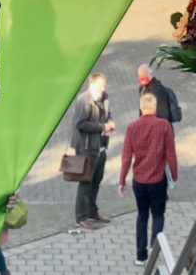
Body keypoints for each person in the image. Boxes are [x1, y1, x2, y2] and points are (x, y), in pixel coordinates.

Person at [119, 93, 177, 267]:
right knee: (158, 215)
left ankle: (140, 255)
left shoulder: (132, 127)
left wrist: (122, 180)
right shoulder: (164, 125)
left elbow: (126, 157)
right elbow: (171, 155)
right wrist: (173, 175)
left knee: (142, 215)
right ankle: (154, 245)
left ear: (141, 108)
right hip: (158, 179)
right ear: (155, 107)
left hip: (139, 180)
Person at [70, 72, 115, 229]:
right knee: (85, 182)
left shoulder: (105, 98)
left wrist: (109, 123)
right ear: (91, 85)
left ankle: (92, 211)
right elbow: (80, 123)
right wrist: (102, 127)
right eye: (99, 86)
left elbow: (107, 116)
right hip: (86, 148)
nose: (102, 89)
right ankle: (81, 217)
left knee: (97, 180)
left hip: (101, 146)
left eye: (104, 86)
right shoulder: (84, 100)